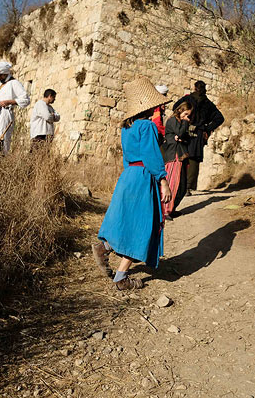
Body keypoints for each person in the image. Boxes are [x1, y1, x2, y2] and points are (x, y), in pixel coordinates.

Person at [92, 77, 172, 291]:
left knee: (128, 221)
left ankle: (104, 247)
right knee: (142, 226)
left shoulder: (127, 127)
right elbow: (152, 156)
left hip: (128, 176)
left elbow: (129, 157)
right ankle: (121, 277)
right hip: (144, 177)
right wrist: (163, 180)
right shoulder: (147, 126)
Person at [172, 80, 224, 198]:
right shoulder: (208, 104)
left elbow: (175, 108)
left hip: (185, 131)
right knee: (194, 160)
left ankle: (180, 185)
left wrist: (180, 121)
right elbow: (219, 118)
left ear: (195, 88)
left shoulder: (187, 99)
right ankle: (188, 187)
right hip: (199, 133)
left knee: (182, 157)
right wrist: (207, 128)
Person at [0, 61, 30, 153]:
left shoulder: (14, 83)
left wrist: (10, 101)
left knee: (2, 141)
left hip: (4, 115)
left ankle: (1, 162)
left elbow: (26, 100)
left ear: (5, 73)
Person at [161, 101, 193, 220]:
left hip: (181, 154)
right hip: (174, 155)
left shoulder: (180, 122)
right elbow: (180, 133)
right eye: (185, 114)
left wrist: (182, 137)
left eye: (188, 115)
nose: (187, 117)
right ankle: (165, 210)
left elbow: (186, 138)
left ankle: (172, 208)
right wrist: (184, 124)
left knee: (182, 185)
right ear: (180, 111)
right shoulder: (173, 120)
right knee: (173, 183)